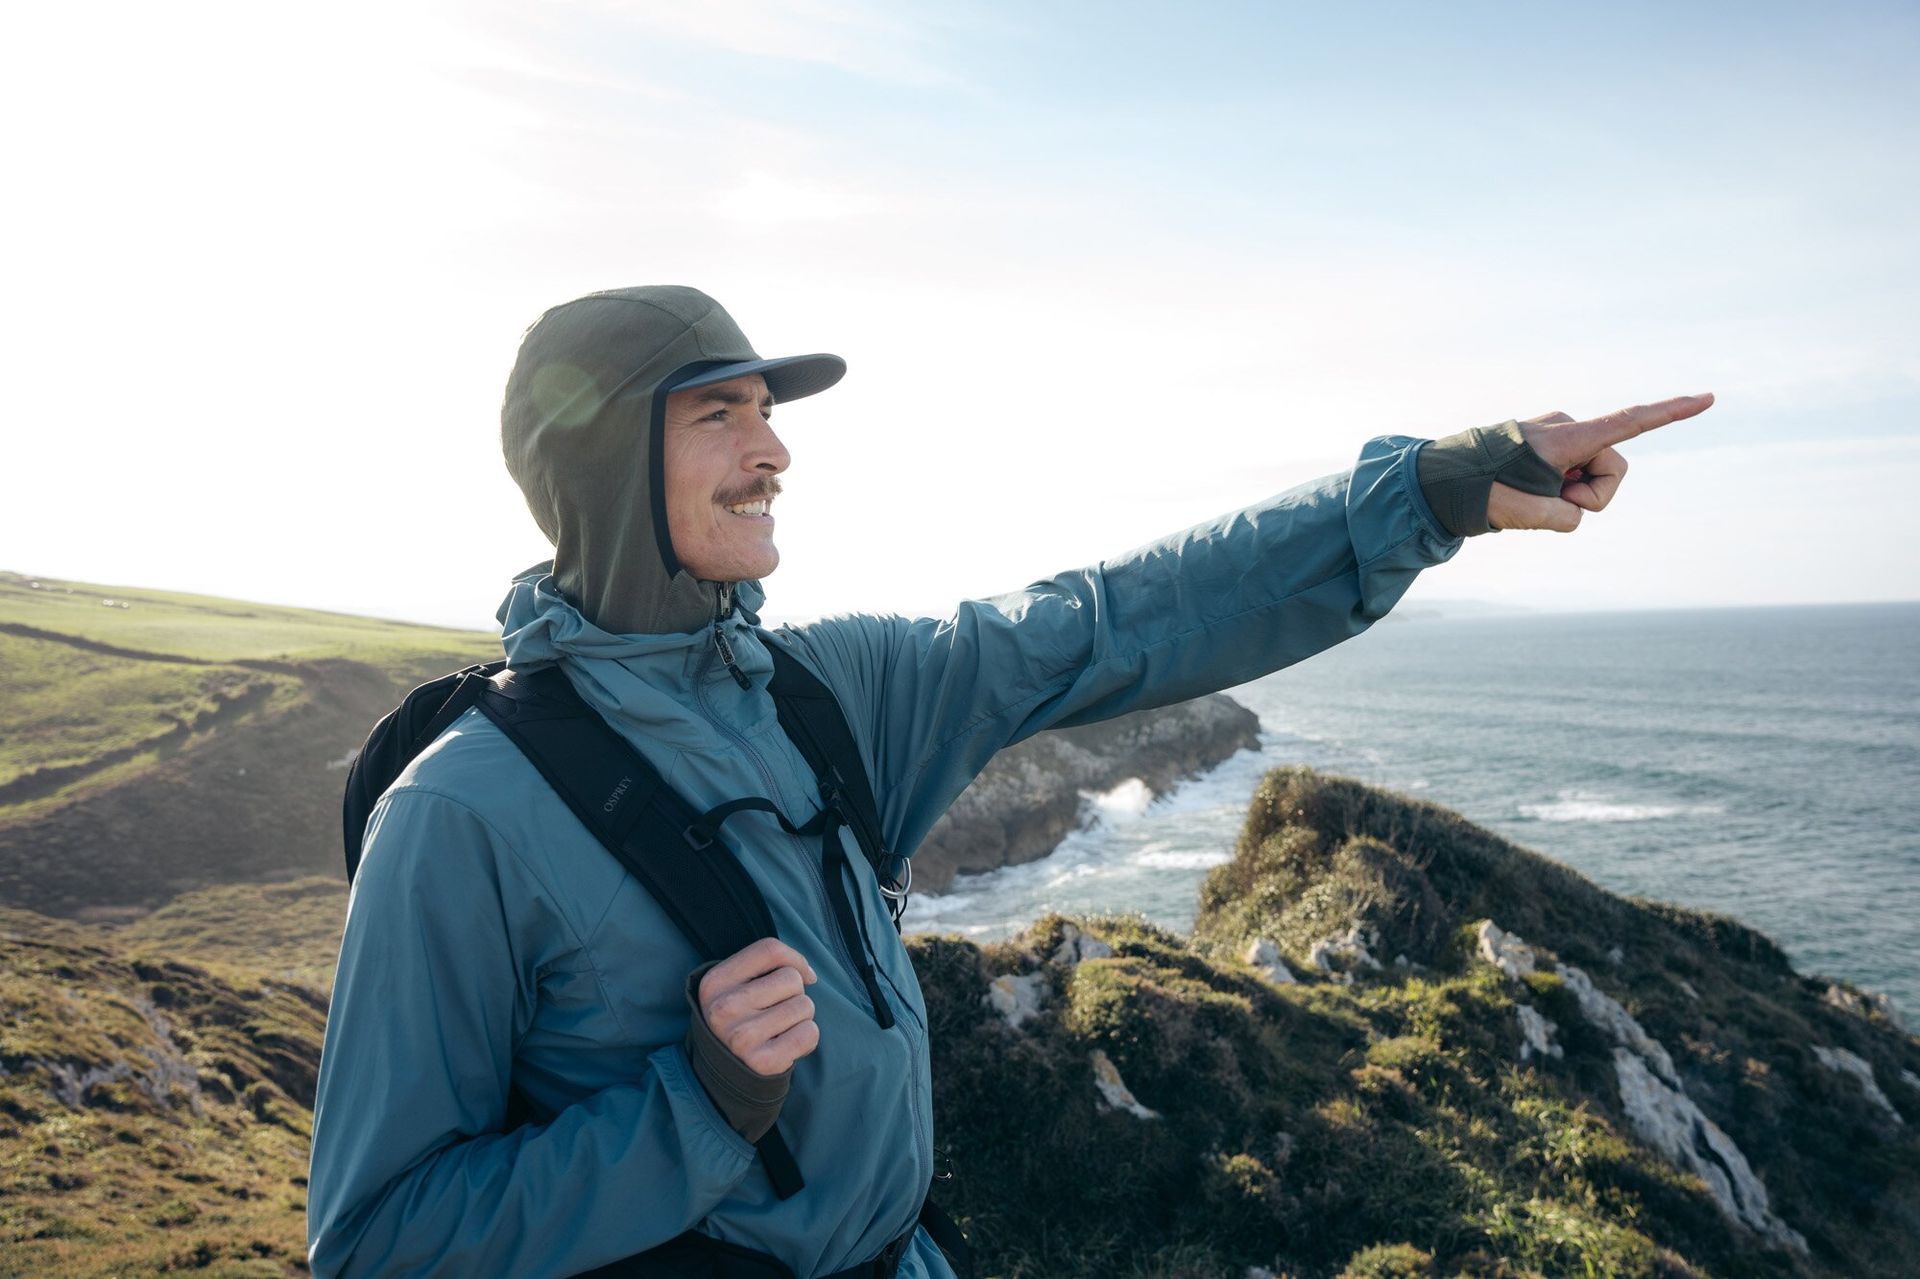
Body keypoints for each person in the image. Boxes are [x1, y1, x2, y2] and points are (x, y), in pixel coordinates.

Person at [305, 285, 1714, 1278]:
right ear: (604, 462)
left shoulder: (826, 691)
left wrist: (1434, 493)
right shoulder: (463, 815)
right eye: (718, 415)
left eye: (768, 414)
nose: (775, 446)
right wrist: (699, 1104)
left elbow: (1113, 617)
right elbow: (377, 1242)